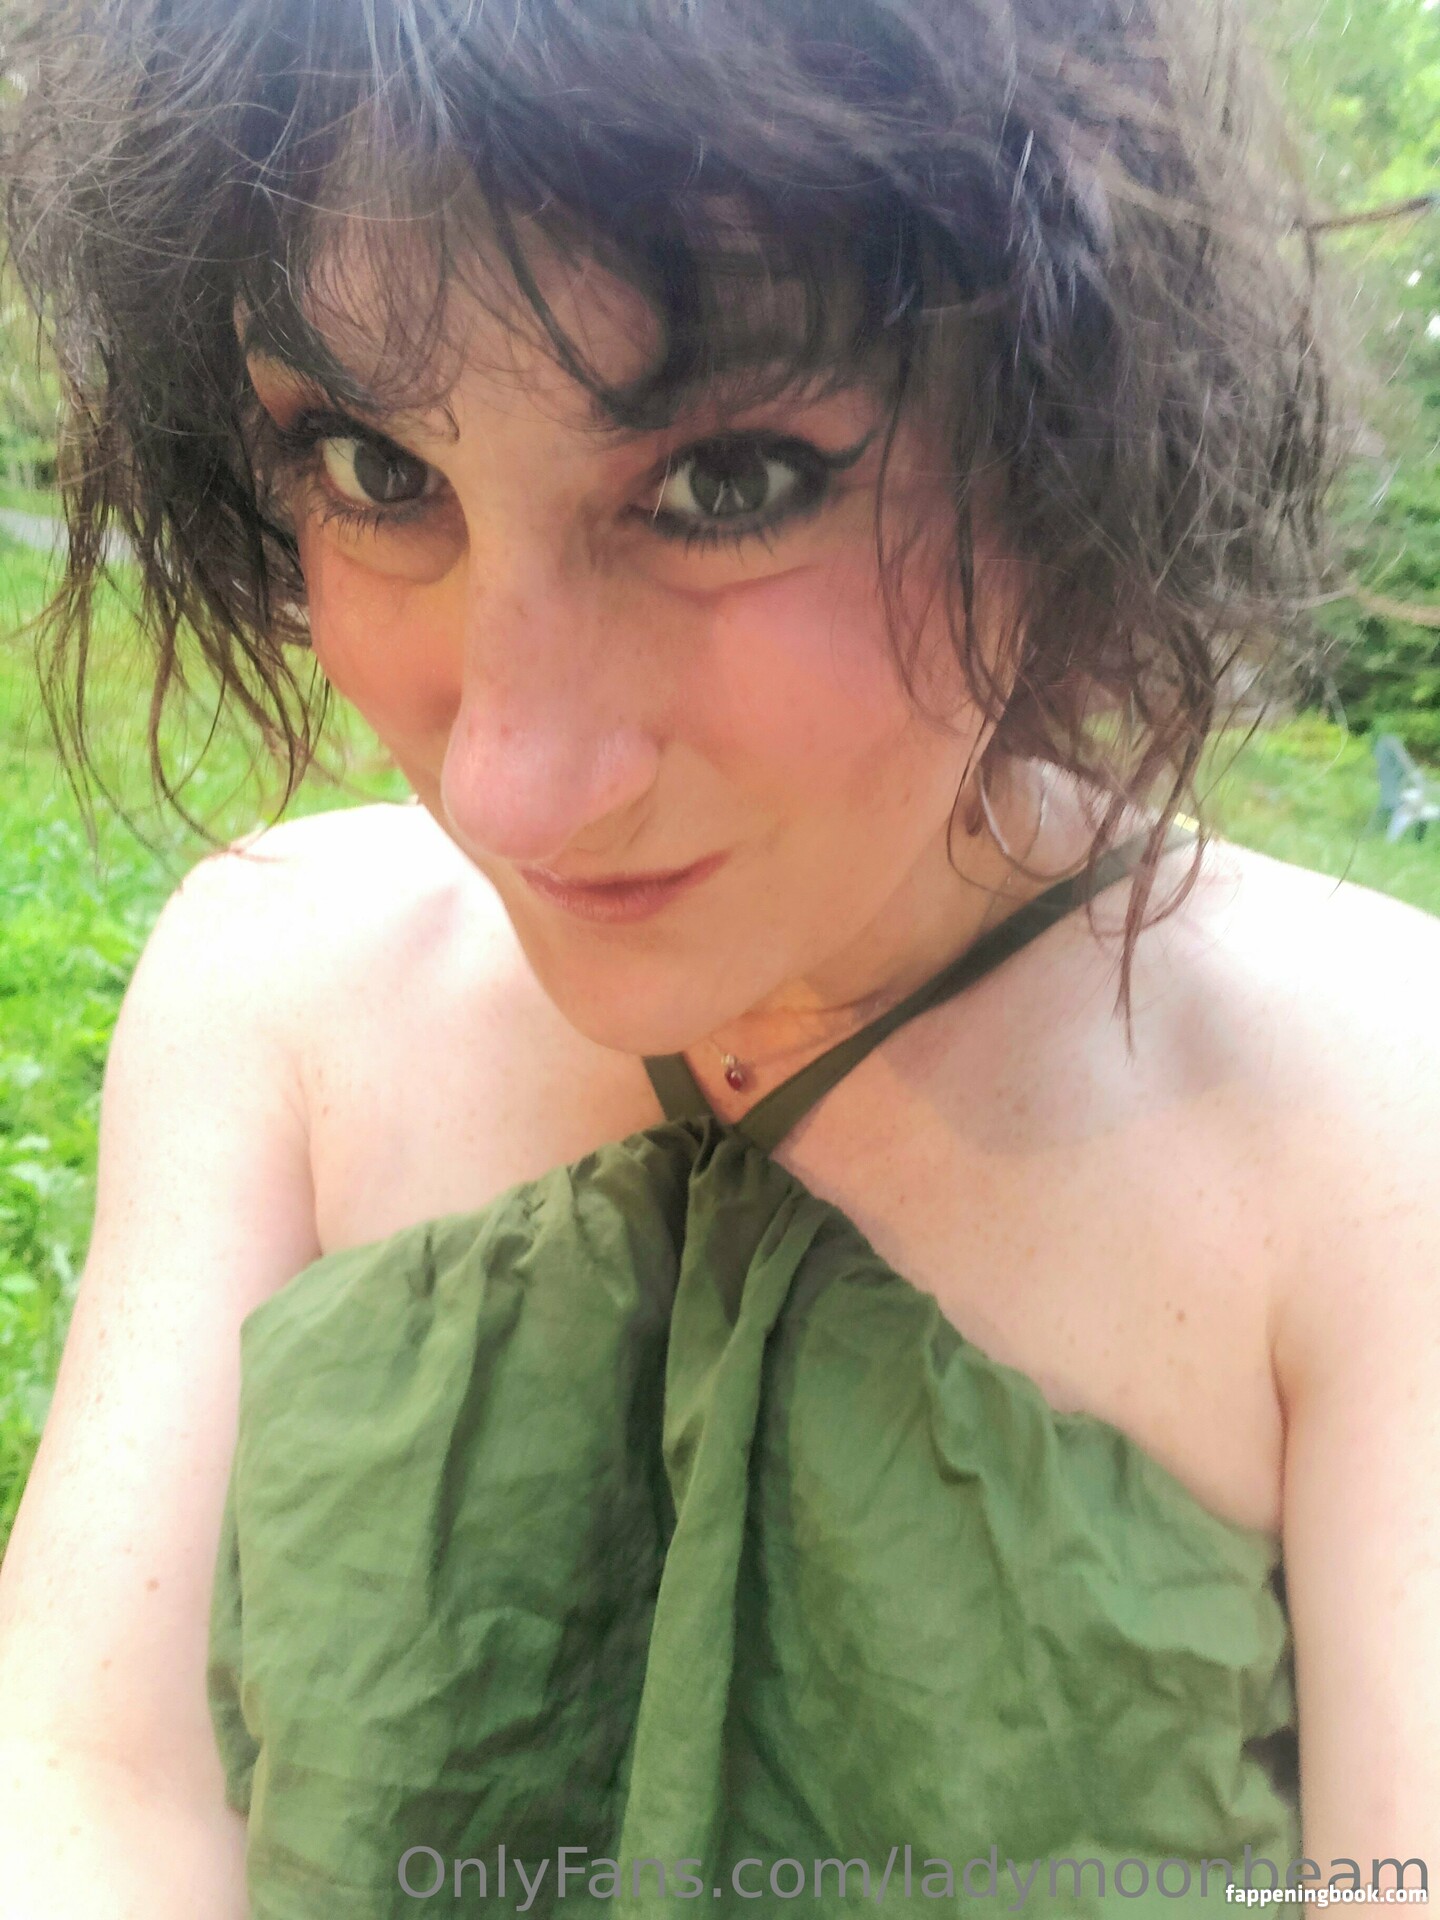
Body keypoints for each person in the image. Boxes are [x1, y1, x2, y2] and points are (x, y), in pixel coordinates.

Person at [0, 0, 1437, 1913]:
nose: (511, 780)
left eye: (731, 481)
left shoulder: (1377, 1125)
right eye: (374, 466)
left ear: (1067, 431)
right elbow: (93, 1791)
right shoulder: (272, 992)